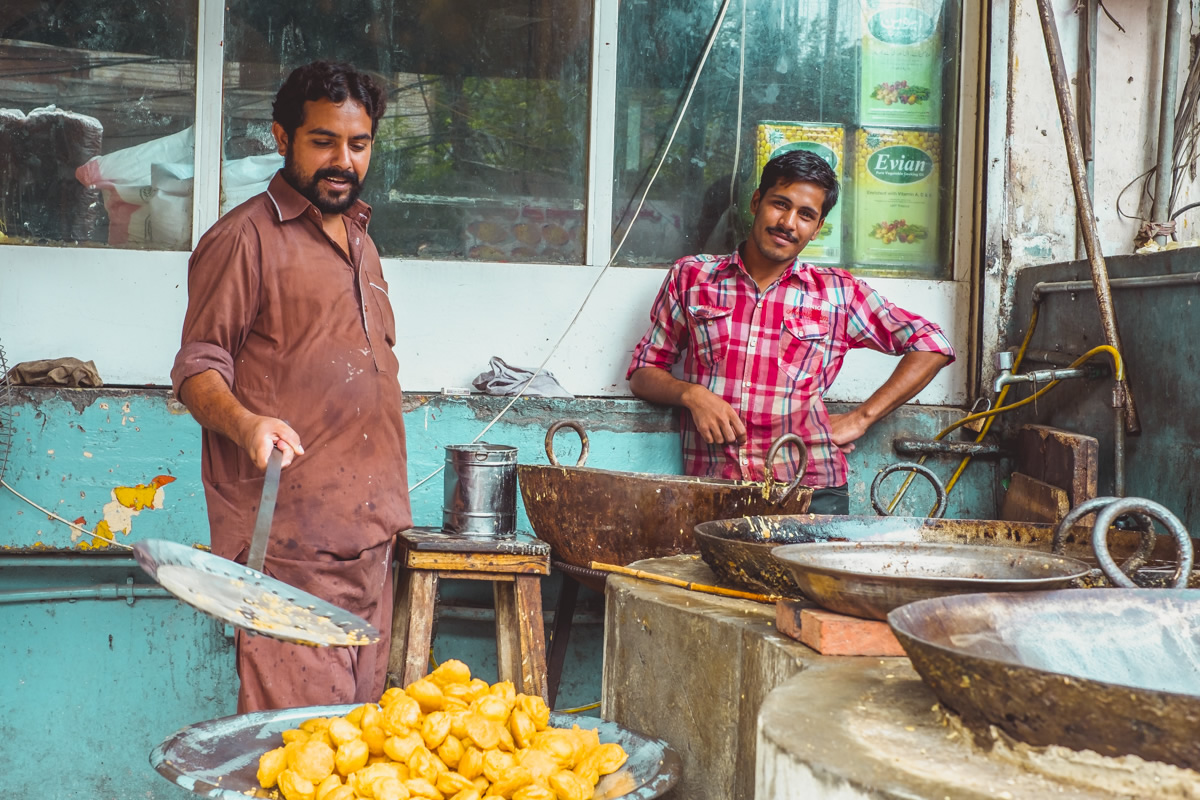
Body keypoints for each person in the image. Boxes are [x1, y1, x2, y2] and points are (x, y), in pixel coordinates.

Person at [171, 61, 411, 712]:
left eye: (358, 144)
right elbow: (196, 366)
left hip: (373, 542)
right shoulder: (244, 239)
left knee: (356, 753)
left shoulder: (363, 242)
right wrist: (248, 424)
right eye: (323, 141)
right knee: (297, 751)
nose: (343, 160)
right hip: (292, 551)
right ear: (282, 138)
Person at [627, 149, 954, 515]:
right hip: (716, 489)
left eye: (806, 215)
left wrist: (862, 418)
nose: (788, 222)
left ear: (817, 229)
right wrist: (692, 395)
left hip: (811, 491)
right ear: (755, 202)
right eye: (780, 204)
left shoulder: (838, 293)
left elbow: (932, 343)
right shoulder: (693, 277)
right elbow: (643, 373)